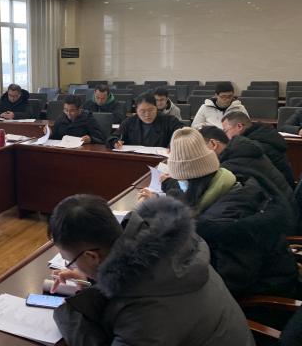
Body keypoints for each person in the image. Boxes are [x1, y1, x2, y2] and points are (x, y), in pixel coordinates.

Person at [49, 194, 253, 346]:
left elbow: (146, 317)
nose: (72, 267)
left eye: (70, 261)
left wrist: (70, 318)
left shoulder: (144, 311)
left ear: (92, 256)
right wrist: (98, 279)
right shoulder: (171, 247)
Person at [141, 128, 298, 298]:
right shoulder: (228, 183)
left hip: (261, 300)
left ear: (190, 182)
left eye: (180, 182)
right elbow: (191, 198)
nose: (180, 186)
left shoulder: (227, 217)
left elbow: (230, 283)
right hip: (265, 281)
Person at [199, 126, 298, 233]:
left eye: (198, 150)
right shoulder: (242, 153)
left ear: (213, 144)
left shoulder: (232, 166)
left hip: (282, 226)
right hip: (284, 215)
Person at [222, 111, 296, 187]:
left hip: (278, 191)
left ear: (239, 126)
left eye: (225, 131)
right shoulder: (262, 135)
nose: (225, 136)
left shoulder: (253, 146)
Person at [107, 93, 183, 149]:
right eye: (142, 111)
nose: (147, 114)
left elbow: (183, 133)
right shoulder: (129, 122)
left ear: (156, 108)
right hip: (136, 159)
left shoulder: (169, 120)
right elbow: (113, 137)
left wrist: (173, 145)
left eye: (151, 110)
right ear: (136, 111)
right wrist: (115, 142)